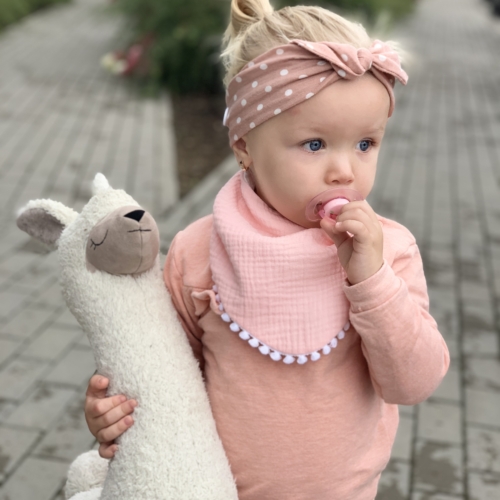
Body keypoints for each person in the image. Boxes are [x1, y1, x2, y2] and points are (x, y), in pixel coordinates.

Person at [84, 0, 450, 498]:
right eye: (315, 144)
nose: (344, 171)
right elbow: (160, 371)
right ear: (244, 146)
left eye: (365, 144)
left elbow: (414, 383)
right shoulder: (200, 252)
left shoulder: (389, 251)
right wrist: (112, 411)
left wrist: (372, 280)